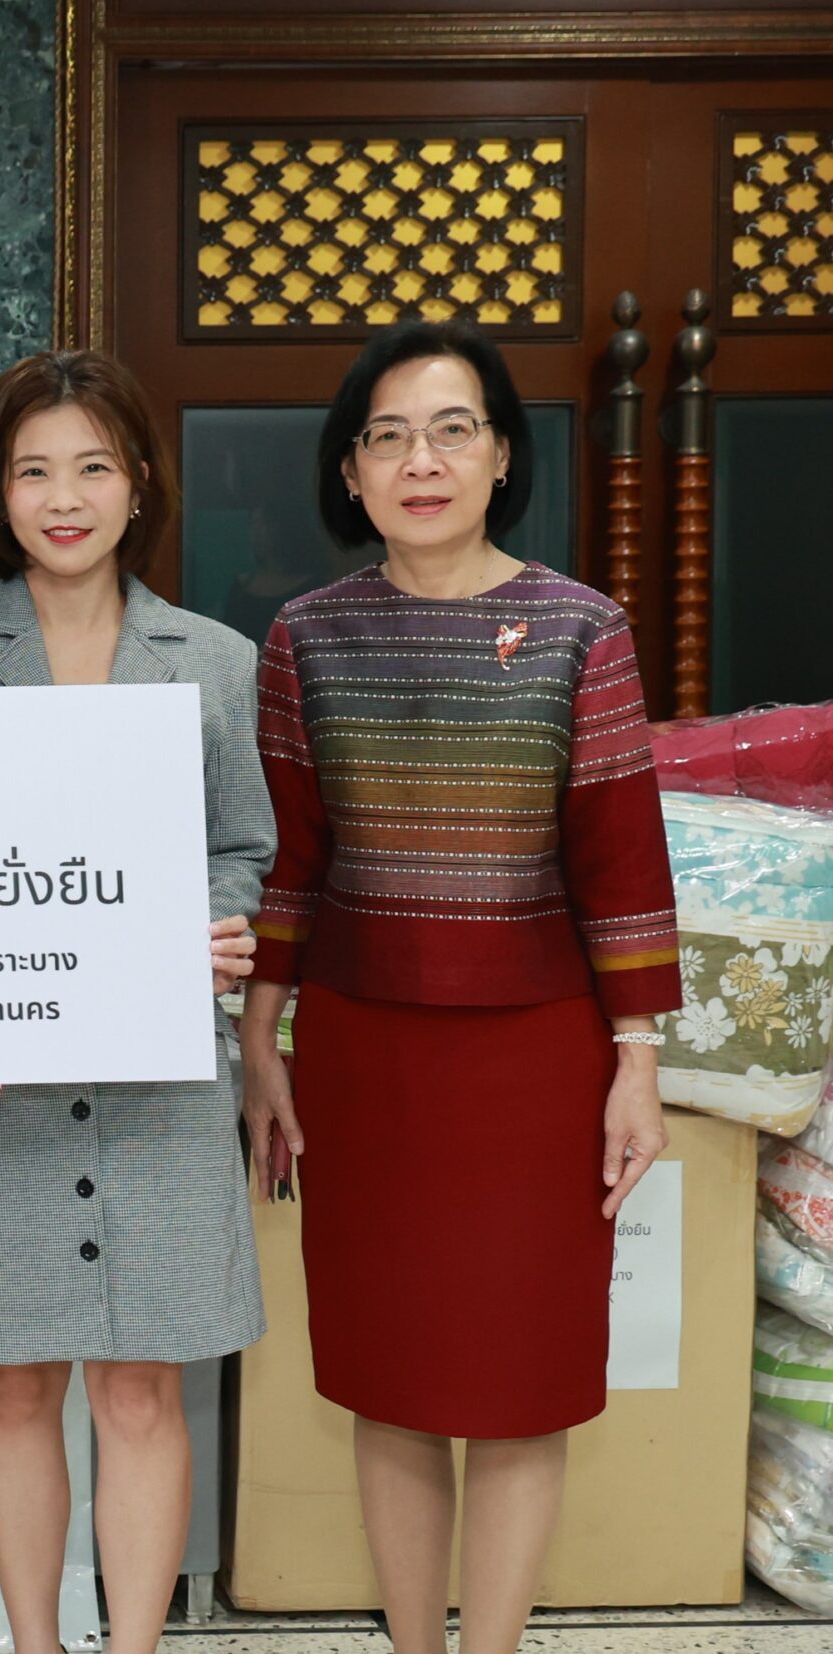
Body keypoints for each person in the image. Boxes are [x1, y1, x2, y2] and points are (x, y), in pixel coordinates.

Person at [237, 320, 681, 1654]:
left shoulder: (582, 629)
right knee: (391, 1376)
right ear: (351, 472)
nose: (418, 461)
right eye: (387, 437)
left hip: (535, 1062)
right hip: (364, 1058)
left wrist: (638, 1063)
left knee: (521, 1383)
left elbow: (620, 861)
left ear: (499, 456)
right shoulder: (305, 637)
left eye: (450, 431)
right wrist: (261, 1041)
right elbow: (291, 862)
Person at [0, 350, 270, 1654]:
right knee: (14, 1387)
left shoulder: (214, 660)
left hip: (160, 1087)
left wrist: (216, 924)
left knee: (142, 1391)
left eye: (92, 467)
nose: (63, 498)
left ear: (138, 483)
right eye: (33, 469)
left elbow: (243, 846)